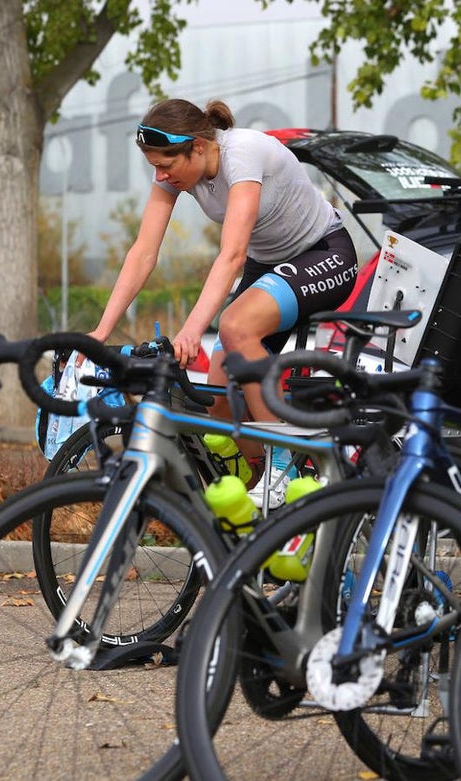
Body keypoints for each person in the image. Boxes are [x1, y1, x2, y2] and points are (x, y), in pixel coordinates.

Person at [89, 98, 358, 507]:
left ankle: (281, 464)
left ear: (198, 146)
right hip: (269, 265)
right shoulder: (178, 171)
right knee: (215, 395)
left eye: (165, 165)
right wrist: (101, 331)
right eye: (154, 167)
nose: (160, 176)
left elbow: (232, 254)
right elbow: (144, 251)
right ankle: (263, 496)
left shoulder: (242, 154)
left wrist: (192, 330)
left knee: (235, 327)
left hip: (322, 252)